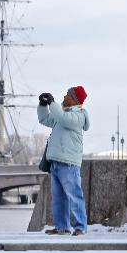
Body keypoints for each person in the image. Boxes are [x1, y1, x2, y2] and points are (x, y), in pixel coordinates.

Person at [37, 86, 90, 236]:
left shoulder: (78, 115)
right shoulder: (62, 113)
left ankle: (81, 227)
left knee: (74, 196)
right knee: (59, 198)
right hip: (56, 162)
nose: (65, 97)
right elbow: (45, 119)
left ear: (74, 100)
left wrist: (52, 103)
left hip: (69, 163)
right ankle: (62, 227)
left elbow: (62, 118)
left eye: (68, 95)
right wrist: (43, 105)